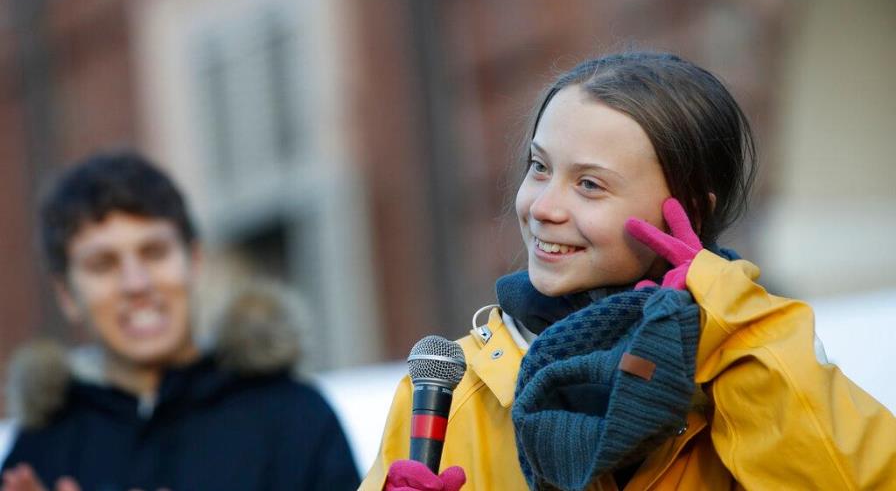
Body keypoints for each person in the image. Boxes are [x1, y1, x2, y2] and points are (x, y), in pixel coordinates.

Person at [361, 52, 896, 490]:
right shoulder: (447, 394)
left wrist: (732, 323)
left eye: (590, 185)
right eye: (539, 167)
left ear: (688, 210)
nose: (544, 206)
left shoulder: (756, 356)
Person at [1, 152, 360, 491]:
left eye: (154, 252)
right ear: (67, 294)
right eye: (104, 264)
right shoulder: (40, 448)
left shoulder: (294, 418)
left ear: (195, 261)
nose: (136, 284)